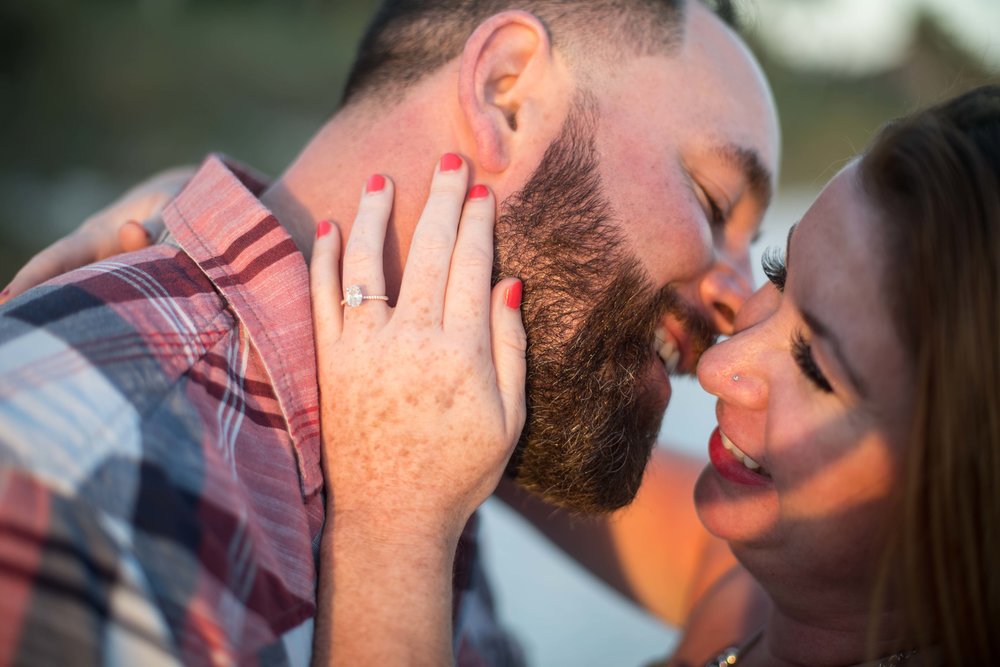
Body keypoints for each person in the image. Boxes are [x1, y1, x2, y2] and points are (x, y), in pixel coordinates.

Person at [0, 0, 778, 664]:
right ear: (507, 93)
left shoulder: (444, 453)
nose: (740, 304)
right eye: (713, 202)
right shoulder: (78, 475)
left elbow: (757, 563)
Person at [308, 84, 1000, 665]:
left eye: (815, 367)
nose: (723, 361)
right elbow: (499, 439)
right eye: (778, 276)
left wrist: (392, 527)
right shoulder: (765, 588)